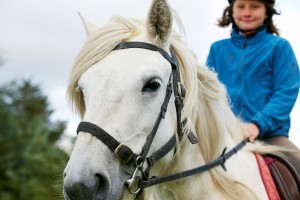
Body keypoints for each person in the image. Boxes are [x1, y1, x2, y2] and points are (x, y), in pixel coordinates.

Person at [206, 0, 300, 176]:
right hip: (224, 136)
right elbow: (208, 94)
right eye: (241, 6)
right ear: (231, 12)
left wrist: (257, 125)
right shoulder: (217, 50)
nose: (247, 12)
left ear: (266, 12)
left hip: (270, 136)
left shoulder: (280, 47)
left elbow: (285, 93)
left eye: (255, 6)